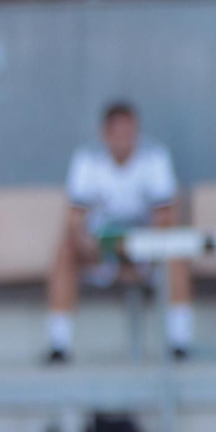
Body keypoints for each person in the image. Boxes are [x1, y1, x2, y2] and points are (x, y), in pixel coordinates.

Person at [46, 101, 194, 363]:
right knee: (65, 250)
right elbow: (74, 217)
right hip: (102, 247)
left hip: (146, 247)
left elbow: (166, 215)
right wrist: (86, 242)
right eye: (119, 134)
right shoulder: (87, 159)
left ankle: (179, 342)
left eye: (131, 133)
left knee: (176, 252)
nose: (125, 141)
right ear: (105, 134)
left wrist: (138, 244)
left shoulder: (154, 156)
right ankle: (59, 343)